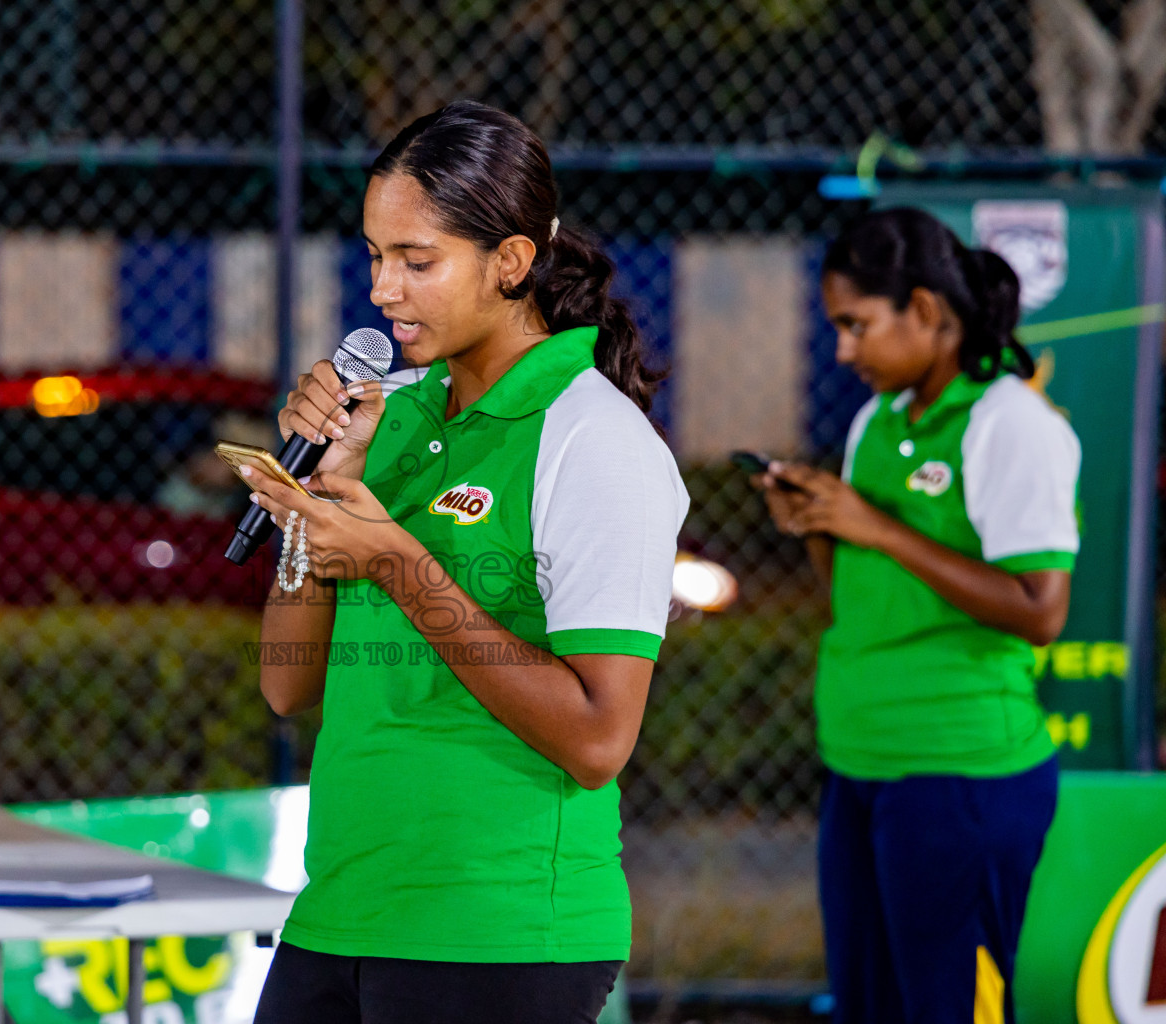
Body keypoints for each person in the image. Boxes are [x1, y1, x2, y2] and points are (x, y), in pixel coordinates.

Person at [237, 100, 688, 1024]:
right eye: (373, 256)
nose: (382, 292)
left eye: (417, 261)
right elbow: (286, 686)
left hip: (502, 934)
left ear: (511, 262)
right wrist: (315, 504)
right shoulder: (388, 416)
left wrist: (402, 564)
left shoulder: (595, 440)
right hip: (342, 915)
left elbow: (599, 739)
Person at [757, 208, 1079, 1024]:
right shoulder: (879, 421)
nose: (843, 351)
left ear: (928, 312)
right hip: (861, 768)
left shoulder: (1011, 424)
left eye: (857, 325)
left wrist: (874, 526)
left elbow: (1041, 612)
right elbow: (865, 599)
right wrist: (819, 530)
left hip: (959, 777)